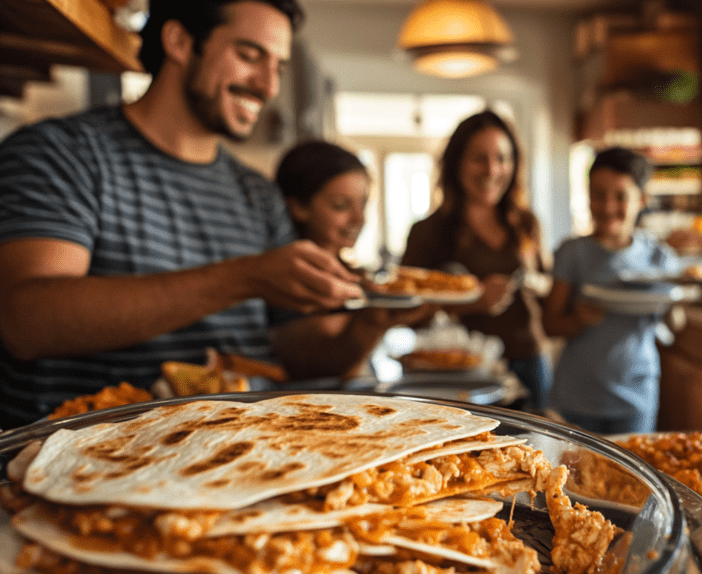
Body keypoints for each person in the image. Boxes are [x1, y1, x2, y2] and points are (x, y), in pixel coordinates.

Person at [0, 0, 366, 430]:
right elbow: (25, 322)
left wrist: (373, 322)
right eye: (249, 56)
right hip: (84, 463)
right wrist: (241, 277)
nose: (268, 85)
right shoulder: (61, 153)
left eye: (279, 67)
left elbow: (298, 354)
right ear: (179, 41)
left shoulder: (257, 194)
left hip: (240, 459)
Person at [401, 110, 552, 410]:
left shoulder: (525, 223)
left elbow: (549, 288)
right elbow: (407, 314)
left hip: (530, 362)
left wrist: (537, 283)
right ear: (456, 163)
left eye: (502, 158)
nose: (492, 169)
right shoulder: (427, 232)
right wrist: (473, 301)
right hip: (461, 374)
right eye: (479, 158)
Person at [543, 147, 683, 434]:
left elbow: (676, 322)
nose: (608, 207)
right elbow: (550, 325)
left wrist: (670, 306)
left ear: (641, 200)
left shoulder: (660, 258)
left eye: (621, 196)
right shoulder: (572, 253)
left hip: (636, 398)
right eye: (598, 195)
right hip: (576, 399)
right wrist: (577, 319)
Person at [273, 140, 436, 378]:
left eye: (363, 204)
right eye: (341, 206)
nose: (359, 218)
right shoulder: (289, 281)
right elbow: (313, 368)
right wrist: (372, 322)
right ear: (298, 206)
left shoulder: (355, 276)